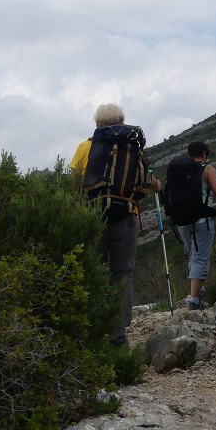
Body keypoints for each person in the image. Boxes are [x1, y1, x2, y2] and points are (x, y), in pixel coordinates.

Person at [71, 103, 160, 346]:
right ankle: (118, 337)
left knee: (94, 270)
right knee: (122, 273)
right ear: (121, 121)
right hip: (126, 215)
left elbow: (73, 184)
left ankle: (92, 333)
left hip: (93, 217)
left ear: (97, 123)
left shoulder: (85, 147)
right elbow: (150, 182)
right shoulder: (133, 149)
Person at [172, 140, 216, 311]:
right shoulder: (207, 168)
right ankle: (194, 300)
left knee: (192, 254)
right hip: (201, 220)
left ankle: (199, 291)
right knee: (200, 257)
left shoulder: (181, 169)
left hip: (182, 220)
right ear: (205, 154)